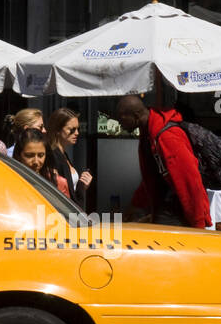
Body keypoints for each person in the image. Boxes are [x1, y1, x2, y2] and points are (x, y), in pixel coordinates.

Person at [115, 95, 210, 228]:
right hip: (167, 209)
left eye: (121, 117)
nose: (119, 122)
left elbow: (189, 180)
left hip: (177, 212)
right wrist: (135, 205)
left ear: (136, 115)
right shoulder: (149, 134)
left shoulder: (167, 136)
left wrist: (198, 222)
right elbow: (152, 175)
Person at [46, 108, 95, 210]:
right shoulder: (54, 156)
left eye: (78, 129)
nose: (76, 133)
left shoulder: (63, 155)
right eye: (71, 130)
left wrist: (82, 185)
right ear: (57, 130)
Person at [13, 128, 68, 195]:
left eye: (41, 155)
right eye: (29, 155)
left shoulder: (58, 183)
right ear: (18, 155)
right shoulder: (9, 180)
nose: (36, 161)